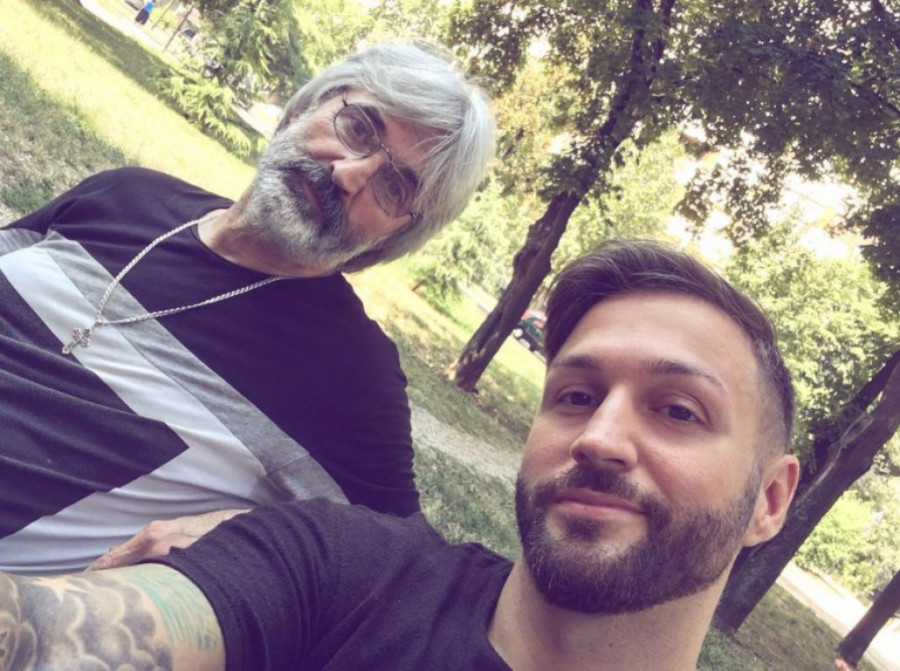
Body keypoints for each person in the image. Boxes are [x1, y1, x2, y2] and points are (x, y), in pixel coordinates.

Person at [0, 240, 800, 670]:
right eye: (576, 394)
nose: (599, 436)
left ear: (770, 499)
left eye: (679, 410)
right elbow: (50, 635)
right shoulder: (343, 573)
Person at [0, 43, 494, 574]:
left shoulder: (350, 375)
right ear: (304, 107)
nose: (349, 175)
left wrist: (254, 537)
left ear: (395, 236)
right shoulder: (126, 194)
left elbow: (405, 566)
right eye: (358, 128)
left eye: (393, 187)